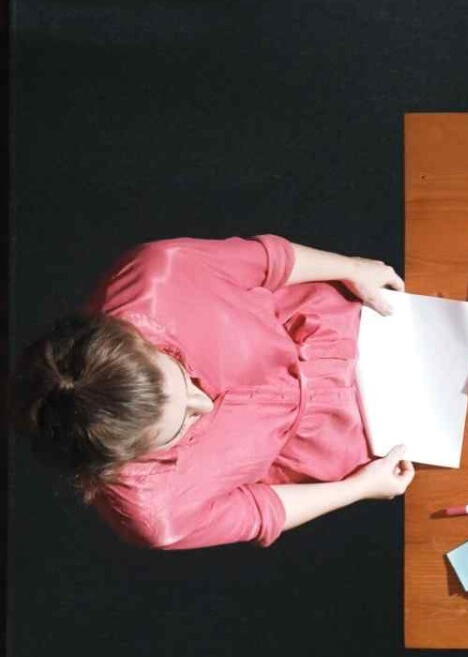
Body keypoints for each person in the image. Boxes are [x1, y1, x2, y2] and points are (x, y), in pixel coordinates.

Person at [12, 235, 417, 551]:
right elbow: (263, 510)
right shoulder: (154, 510)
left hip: (352, 323)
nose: (204, 403)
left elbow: (269, 261)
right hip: (351, 444)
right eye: (182, 425)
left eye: (182, 378)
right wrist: (360, 489)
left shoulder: (158, 273)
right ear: (121, 460)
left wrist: (352, 268)